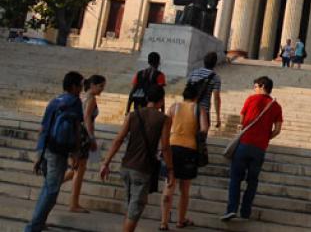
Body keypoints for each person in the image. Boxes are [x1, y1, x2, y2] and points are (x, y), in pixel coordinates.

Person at [99, 85, 173, 232]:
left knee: (131, 206)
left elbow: (118, 140)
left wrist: (105, 162)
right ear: (162, 101)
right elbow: (165, 147)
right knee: (135, 209)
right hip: (143, 168)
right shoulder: (164, 119)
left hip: (126, 166)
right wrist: (170, 169)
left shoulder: (133, 115)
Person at [26, 72, 85, 232]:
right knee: (51, 191)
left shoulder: (55, 101)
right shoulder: (75, 102)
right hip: (59, 152)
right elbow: (77, 129)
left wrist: (38, 154)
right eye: (80, 85)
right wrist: (76, 153)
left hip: (46, 148)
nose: (81, 88)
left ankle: (38, 223)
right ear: (73, 87)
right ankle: (33, 227)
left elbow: (43, 128)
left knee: (48, 187)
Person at [221, 76, 283, 221]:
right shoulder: (276, 106)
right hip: (260, 149)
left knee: (236, 178)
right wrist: (266, 137)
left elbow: (242, 120)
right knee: (252, 181)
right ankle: (245, 211)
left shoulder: (251, 99)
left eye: (255, 86)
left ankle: (231, 209)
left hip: (244, 144)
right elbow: (278, 129)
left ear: (262, 86)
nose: (253, 89)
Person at [160, 83, 209, 230]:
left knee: (169, 184)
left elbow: (165, 127)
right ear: (196, 97)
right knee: (184, 189)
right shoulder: (199, 108)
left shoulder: (174, 107)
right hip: (189, 149)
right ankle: (180, 220)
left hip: (172, 147)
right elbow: (204, 129)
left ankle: (163, 222)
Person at [64, 74, 106, 213]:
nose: (102, 89)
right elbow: (87, 118)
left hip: (77, 133)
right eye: (100, 86)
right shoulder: (91, 99)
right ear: (93, 85)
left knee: (74, 169)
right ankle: (73, 203)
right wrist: (91, 138)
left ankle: (53, 185)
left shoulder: (82, 97)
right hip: (83, 135)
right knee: (79, 171)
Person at [187, 52, 222, 130]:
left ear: (204, 61)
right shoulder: (215, 78)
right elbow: (216, 98)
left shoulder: (194, 73)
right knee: (201, 138)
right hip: (203, 111)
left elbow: (187, 90)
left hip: (189, 109)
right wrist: (218, 117)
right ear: (215, 63)